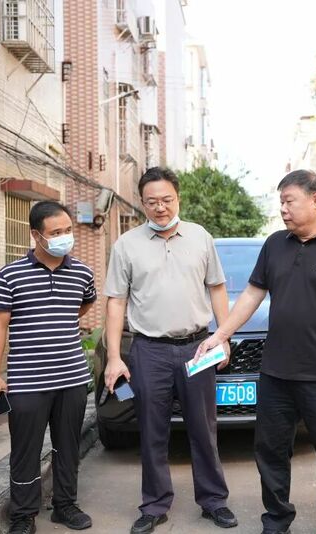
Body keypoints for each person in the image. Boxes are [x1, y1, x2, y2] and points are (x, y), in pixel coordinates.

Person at [197, 169, 316, 534]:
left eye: (289, 201)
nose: (283, 209)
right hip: (276, 374)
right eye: (281, 203)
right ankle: (276, 521)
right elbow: (252, 294)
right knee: (271, 454)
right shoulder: (275, 244)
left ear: (315, 200)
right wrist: (222, 334)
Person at [103, 167, 237, 533]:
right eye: (152, 202)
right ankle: (154, 505)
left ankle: (214, 501)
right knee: (152, 431)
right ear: (142, 203)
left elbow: (217, 287)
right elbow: (116, 302)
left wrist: (223, 336)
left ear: (178, 198)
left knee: (203, 429)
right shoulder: (126, 245)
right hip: (150, 351)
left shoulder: (200, 237)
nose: (160, 207)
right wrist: (113, 357)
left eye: (167, 200)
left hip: (197, 347)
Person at [0, 200, 97, 534]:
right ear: (36, 235)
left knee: (68, 446)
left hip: (72, 379)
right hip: (27, 382)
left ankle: (65, 505)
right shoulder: (10, 275)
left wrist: (56, 320)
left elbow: (84, 303)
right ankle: (23, 516)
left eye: (68, 230)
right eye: (55, 232)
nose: (64, 237)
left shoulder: (82, 273)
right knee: (25, 451)